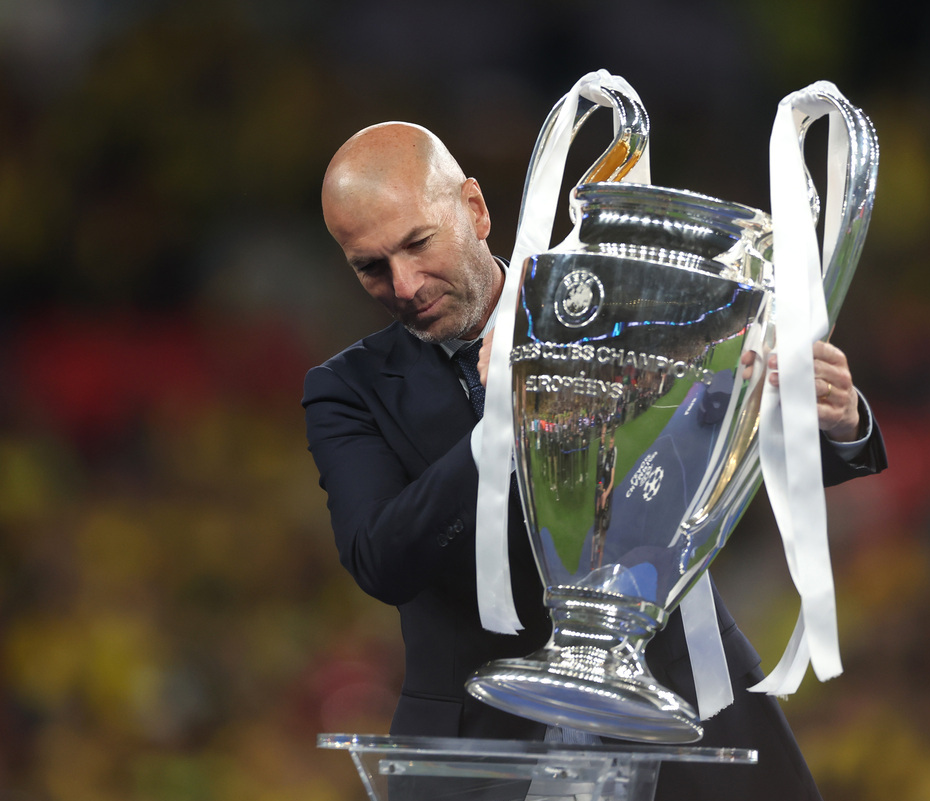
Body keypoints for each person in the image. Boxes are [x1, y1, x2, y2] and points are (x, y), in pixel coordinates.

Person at [303, 121, 887, 800]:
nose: (404, 285)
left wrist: (835, 420)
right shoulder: (348, 388)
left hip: (685, 703)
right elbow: (380, 558)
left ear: (474, 210)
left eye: (417, 244)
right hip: (485, 741)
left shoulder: (621, 305)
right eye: (371, 267)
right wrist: (506, 427)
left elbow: (728, 452)